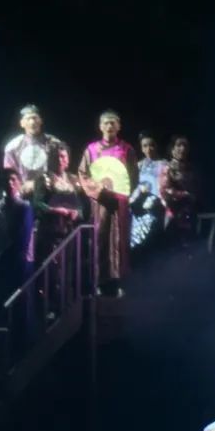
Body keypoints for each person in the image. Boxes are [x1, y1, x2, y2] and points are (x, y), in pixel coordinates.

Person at [78, 110, 138, 297]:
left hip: (119, 203)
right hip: (100, 203)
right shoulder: (91, 149)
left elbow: (132, 176)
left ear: (119, 126)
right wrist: (99, 191)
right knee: (99, 239)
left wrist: (122, 192)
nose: (109, 126)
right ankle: (98, 282)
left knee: (120, 240)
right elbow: (83, 174)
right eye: (106, 123)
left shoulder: (127, 149)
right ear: (100, 126)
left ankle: (120, 282)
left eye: (113, 122)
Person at [33, 142, 83, 316]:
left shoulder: (73, 180)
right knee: (50, 273)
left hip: (69, 234)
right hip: (49, 233)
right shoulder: (43, 178)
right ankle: (48, 309)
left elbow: (81, 207)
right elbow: (37, 204)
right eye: (56, 157)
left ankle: (65, 306)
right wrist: (56, 210)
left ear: (68, 159)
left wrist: (76, 213)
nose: (60, 160)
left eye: (63, 156)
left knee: (68, 270)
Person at [0, 168, 35, 345]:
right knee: (2, 301)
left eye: (13, 179)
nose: (9, 183)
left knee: (20, 303)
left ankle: (23, 342)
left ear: (18, 182)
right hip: (4, 258)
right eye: (6, 180)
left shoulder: (24, 206)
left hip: (20, 260)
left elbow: (23, 238)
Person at [3, 104, 64, 195]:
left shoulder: (54, 144)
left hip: (50, 193)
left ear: (41, 121)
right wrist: (22, 188)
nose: (32, 122)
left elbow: (62, 169)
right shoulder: (13, 147)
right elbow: (9, 174)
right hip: (23, 195)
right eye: (28, 119)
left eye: (35, 118)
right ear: (22, 123)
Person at [129, 131, 168, 259]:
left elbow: (165, 187)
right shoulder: (139, 165)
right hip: (139, 206)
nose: (148, 149)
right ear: (141, 148)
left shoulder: (164, 164)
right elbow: (134, 187)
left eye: (151, 145)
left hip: (156, 206)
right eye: (145, 146)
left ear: (156, 146)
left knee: (153, 244)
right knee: (136, 242)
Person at [160, 135, 198, 249]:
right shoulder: (167, 168)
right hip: (174, 213)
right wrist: (184, 195)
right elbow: (164, 190)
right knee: (174, 248)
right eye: (179, 145)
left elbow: (197, 188)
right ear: (172, 149)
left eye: (185, 145)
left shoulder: (191, 168)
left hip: (191, 212)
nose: (182, 148)